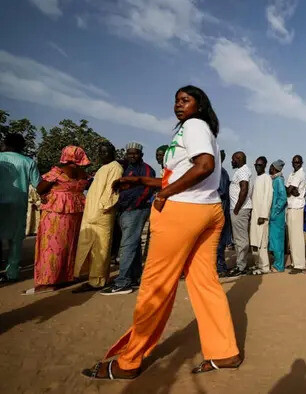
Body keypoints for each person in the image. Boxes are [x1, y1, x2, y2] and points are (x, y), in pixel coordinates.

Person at [82, 85, 242, 380]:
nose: (178, 105)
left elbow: (204, 167)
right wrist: (144, 180)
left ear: (199, 105)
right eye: (176, 100)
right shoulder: (200, 130)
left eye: (185, 100)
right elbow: (189, 175)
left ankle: (129, 361)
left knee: (155, 285)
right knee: (205, 284)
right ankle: (225, 352)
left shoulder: (194, 126)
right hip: (207, 212)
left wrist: (165, 192)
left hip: (183, 214)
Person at [27, 146, 90, 294]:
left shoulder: (57, 172)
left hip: (56, 213)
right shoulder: (83, 174)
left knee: (51, 246)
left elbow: (40, 188)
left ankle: (48, 281)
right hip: (75, 211)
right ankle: (65, 277)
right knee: (69, 246)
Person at [101, 142, 156, 295]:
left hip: (136, 210)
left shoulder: (146, 170)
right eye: (129, 153)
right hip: (125, 210)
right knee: (134, 244)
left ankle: (122, 282)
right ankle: (133, 277)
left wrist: (133, 205)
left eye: (135, 153)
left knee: (127, 245)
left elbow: (147, 190)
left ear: (141, 155)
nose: (132, 155)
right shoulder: (125, 168)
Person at [72, 142, 124, 292]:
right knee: (87, 246)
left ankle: (98, 281)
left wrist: (101, 208)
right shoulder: (103, 168)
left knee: (101, 248)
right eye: (100, 152)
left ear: (113, 152)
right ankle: (89, 276)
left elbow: (111, 192)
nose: (103, 155)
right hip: (91, 213)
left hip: (101, 214)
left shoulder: (115, 167)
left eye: (105, 152)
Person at [0, 133, 40, 284]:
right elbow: (38, 184)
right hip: (18, 205)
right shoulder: (28, 162)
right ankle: (12, 273)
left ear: (6, 144)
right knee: (15, 240)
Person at [226, 151, 252, 277]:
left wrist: (236, 208)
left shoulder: (242, 171)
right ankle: (240, 264)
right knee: (238, 238)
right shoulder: (240, 171)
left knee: (241, 239)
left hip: (240, 210)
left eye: (233, 159)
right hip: (238, 209)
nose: (231, 162)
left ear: (238, 158)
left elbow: (244, 189)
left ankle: (241, 266)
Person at [250, 156, 273, 275]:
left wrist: (263, 215)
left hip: (261, 217)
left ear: (264, 166)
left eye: (260, 165)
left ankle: (265, 267)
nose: (257, 167)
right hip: (254, 215)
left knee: (262, 241)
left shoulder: (267, 178)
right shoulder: (256, 179)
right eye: (256, 165)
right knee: (255, 241)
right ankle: (258, 265)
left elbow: (268, 198)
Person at [286, 155, 306, 274]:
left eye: (298, 162)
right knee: (292, 237)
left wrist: (291, 190)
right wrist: (291, 190)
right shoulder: (292, 174)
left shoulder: (300, 174)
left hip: (297, 207)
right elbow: (288, 190)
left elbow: (289, 190)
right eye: (294, 162)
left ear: (301, 163)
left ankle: (299, 265)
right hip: (291, 206)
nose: (296, 164)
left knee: (297, 237)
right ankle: (295, 262)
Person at [216, 150, 232, 276]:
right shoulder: (221, 172)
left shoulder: (220, 172)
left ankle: (220, 267)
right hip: (221, 209)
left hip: (220, 209)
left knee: (218, 240)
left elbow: (220, 192)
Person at [269, 160, 287, 272]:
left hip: (277, 215)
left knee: (277, 240)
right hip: (275, 215)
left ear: (275, 168)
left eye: (271, 167)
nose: (269, 169)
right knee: (274, 240)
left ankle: (279, 266)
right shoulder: (275, 180)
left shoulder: (279, 180)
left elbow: (283, 198)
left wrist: (275, 211)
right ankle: (277, 263)